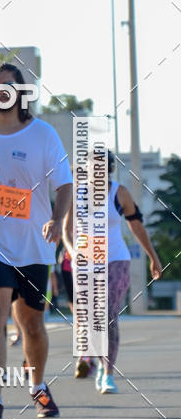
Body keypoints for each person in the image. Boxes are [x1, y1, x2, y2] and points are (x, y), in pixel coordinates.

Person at [0, 63, 73, 419]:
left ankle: (38, 386)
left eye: (9, 86)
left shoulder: (43, 135)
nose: (2, 92)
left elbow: (64, 185)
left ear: (21, 92)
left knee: (31, 322)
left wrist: (57, 221)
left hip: (33, 244)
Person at [64, 151, 162, 393]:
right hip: (84, 263)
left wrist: (154, 257)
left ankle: (107, 374)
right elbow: (67, 231)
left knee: (108, 315)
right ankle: (95, 360)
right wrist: (73, 251)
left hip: (115, 259)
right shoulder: (75, 194)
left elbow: (136, 224)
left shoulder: (119, 192)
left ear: (108, 168)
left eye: (101, 166)